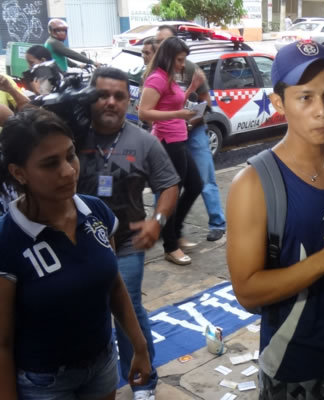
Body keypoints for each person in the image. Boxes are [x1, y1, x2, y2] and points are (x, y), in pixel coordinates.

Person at [226, 40, 324, 399]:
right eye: (306, 97)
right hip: (290, 366)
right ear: (279, 103)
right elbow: (247, 291)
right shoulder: (253, 184)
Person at [0, 108, 151, 400]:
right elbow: (2, 341)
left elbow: (114, 285)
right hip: (44, 382)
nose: (68, 171)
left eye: (70, 155)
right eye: (50, 163)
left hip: (102, 364)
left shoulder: (96, 212)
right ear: (19, 173)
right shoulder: (7, 239)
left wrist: (140, 347)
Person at [77, 67, 180, 400]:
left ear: (129, 101)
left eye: (119, 96)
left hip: (126, 244)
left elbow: (169, 185)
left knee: (127, 310)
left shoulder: (144, 141)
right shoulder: (71, 136)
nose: (110, 102)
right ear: (89, 98)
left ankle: (143, 383)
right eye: (102, 95)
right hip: (74, 245)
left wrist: (158, 220)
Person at [155, 25, 226, 242]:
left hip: (193, 131)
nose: (160, 46)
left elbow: (206, 103)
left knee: (204, 179)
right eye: (157, 42)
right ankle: (171, 230)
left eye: (164, 42)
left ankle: (217, 223)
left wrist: (188, 123)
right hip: (169, 134)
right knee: (168, 184)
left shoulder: (189, 68)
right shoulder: (155, 72)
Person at [139, 37, 204, 265]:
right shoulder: (156, 78)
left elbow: (173, 104)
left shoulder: (168, 78)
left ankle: (175, 231)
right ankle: (170, 245)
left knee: (196, 185)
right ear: (168, 57)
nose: (181, 65)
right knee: (172, 194)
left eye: (183, 60)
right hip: (167, 141)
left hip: (179, 138)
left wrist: (192, 90)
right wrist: (178, 115)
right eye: (179, 60)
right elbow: (143, 113)